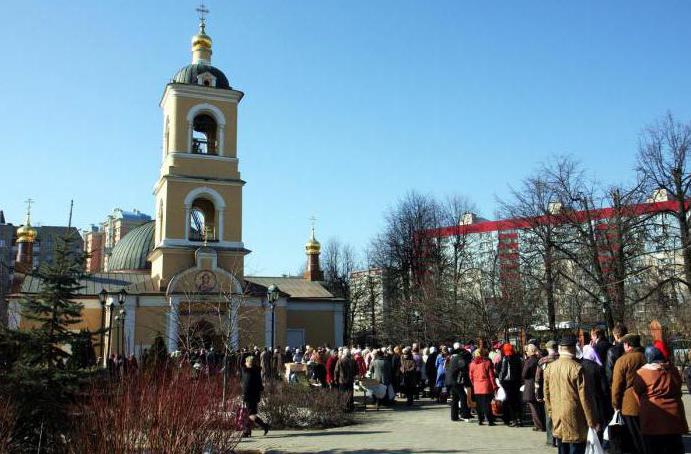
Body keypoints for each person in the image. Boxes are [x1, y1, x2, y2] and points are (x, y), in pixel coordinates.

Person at [544, 334, 597, 454]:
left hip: (558, 415)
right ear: (573, 348)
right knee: (576, 448)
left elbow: (546, 395)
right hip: (575, 417)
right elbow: (585, 398)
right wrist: (591, 421)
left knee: (562, 448)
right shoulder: (577, 368)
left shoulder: (550, 368)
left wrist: (551, 412)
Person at [633, 344, 688, 454]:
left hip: (652, 418)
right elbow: (678, 389)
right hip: (674, 417)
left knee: (654, 448)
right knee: (675, 447)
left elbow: (636, 392)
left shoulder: (642, 373)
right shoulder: (672, 370)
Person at [611, 333, 646, 454]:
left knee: (634, 440)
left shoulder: (623, 360)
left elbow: (617, 386)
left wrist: (615, 405)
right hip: (648, 403)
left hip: (629, 405)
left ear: (627, 345)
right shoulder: (646, 357)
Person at [581, 344, 611, 441]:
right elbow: (604, 388)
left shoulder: (579, 366)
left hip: (584, 399)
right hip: (598, 400)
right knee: (599, 424)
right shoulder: (598, 367)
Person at [536, 340, 559, 447]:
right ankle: (560, 438)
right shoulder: (563, 359)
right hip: (561, 391)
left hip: (548, 392)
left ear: (547, 348)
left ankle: (551, 440)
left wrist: (538, 395)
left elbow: (538, 380)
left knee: (549, 416)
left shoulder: (543, 361)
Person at [240, 355, 269, 437]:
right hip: (253, 395)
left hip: (249, 395)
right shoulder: (255, 371)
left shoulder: (247, 372)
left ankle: (262, 426)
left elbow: (248, 386)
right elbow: (260, 386)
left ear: (248, 363)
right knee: (250, 414)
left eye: (246, 362)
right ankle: (248, 431)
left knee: (250, 414)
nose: (245, 363)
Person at [469, 348, 497, 426]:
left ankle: (480, 420)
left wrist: (474, 384)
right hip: (486, 386)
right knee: (487, 404)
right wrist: (494, 386)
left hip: (477, 387)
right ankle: (490, 421)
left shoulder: (472, 364)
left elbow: (471, 377)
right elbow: (491, 376)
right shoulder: (487, 363)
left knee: (479, 404)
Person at [498, 343, 523, 427]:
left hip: (507, 382)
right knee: (516, 400)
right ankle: (519, 419)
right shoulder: (518, 358)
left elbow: (502, 371)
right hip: (516, 381)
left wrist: (500, 380)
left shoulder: (505, 359)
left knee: (509, 401)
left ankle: (513, 419)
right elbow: (520, 370)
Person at [523, 344, 545, 431]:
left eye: (527, 350)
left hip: (530, 385)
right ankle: (542, 424)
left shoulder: (529, 361)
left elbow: (524, 374)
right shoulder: (539, 359)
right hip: (539, 384)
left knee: (534, 407)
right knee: (540, 406)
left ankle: (539, 425)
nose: (526, 352)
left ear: (530, 351)